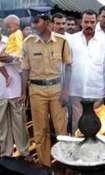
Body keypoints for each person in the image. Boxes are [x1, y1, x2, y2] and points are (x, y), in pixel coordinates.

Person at [21, 13, 72, 167]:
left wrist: (65, 91)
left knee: (61, 129)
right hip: (36, 90)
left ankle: (65, 163)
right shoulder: (28, 42)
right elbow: (25, 69)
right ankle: (45, 165)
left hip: (57, 89)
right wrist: (23, 93)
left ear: (48, 22)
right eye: (33, 22)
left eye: (37, 21)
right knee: (40, 130)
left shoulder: (62, 41)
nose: (33, 25)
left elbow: (68, 66)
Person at [67, 9, 105, 133]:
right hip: (76, 90)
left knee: (95, 123)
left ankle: (94, 150)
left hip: (97, 91)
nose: (89, 25)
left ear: (96, 22)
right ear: (81, 23)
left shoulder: (104, 42)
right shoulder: (71, 40)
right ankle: (77, 149)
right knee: (77, 123)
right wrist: (65, 88)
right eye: (86, 22)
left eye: (92, 22)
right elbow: (66, 66)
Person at [0, 14, 30, 159]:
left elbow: (21, 60)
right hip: (0, 92)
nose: (5, 29)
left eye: (6, 26)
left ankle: (24, 152)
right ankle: (5, 153)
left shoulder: (12, 40)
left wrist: (11, 58)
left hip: (16, 89)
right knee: (1, 124)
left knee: (20, 122)